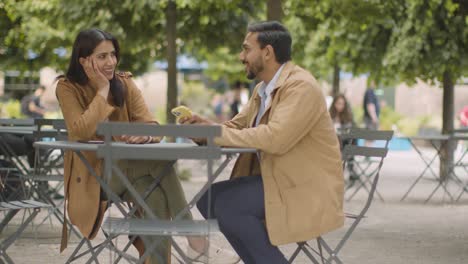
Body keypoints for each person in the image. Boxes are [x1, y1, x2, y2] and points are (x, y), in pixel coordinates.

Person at [55, 28, 233, 264]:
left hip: (132, 176)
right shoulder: (67, 87)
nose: (110, 62)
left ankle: (182, 248)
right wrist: (102, 91)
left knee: (155, 192)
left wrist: (145, 137)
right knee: (160, 164)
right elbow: (80, 130)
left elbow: (150, 124)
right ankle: (196, 239)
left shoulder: (125, 83)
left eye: (113, 55)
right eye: (102, 57)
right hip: (93, 180)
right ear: (84, 60)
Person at [181, 21, 344, 263]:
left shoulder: (301, 86)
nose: (241, 56)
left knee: (229, 206)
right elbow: (236, 127)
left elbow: (275, 138)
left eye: (246, 49)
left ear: (267, 52)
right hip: (280, 181)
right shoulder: (262, 90)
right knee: (209, 200)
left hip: (306, 188)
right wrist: (204, 128)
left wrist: (213, 133)